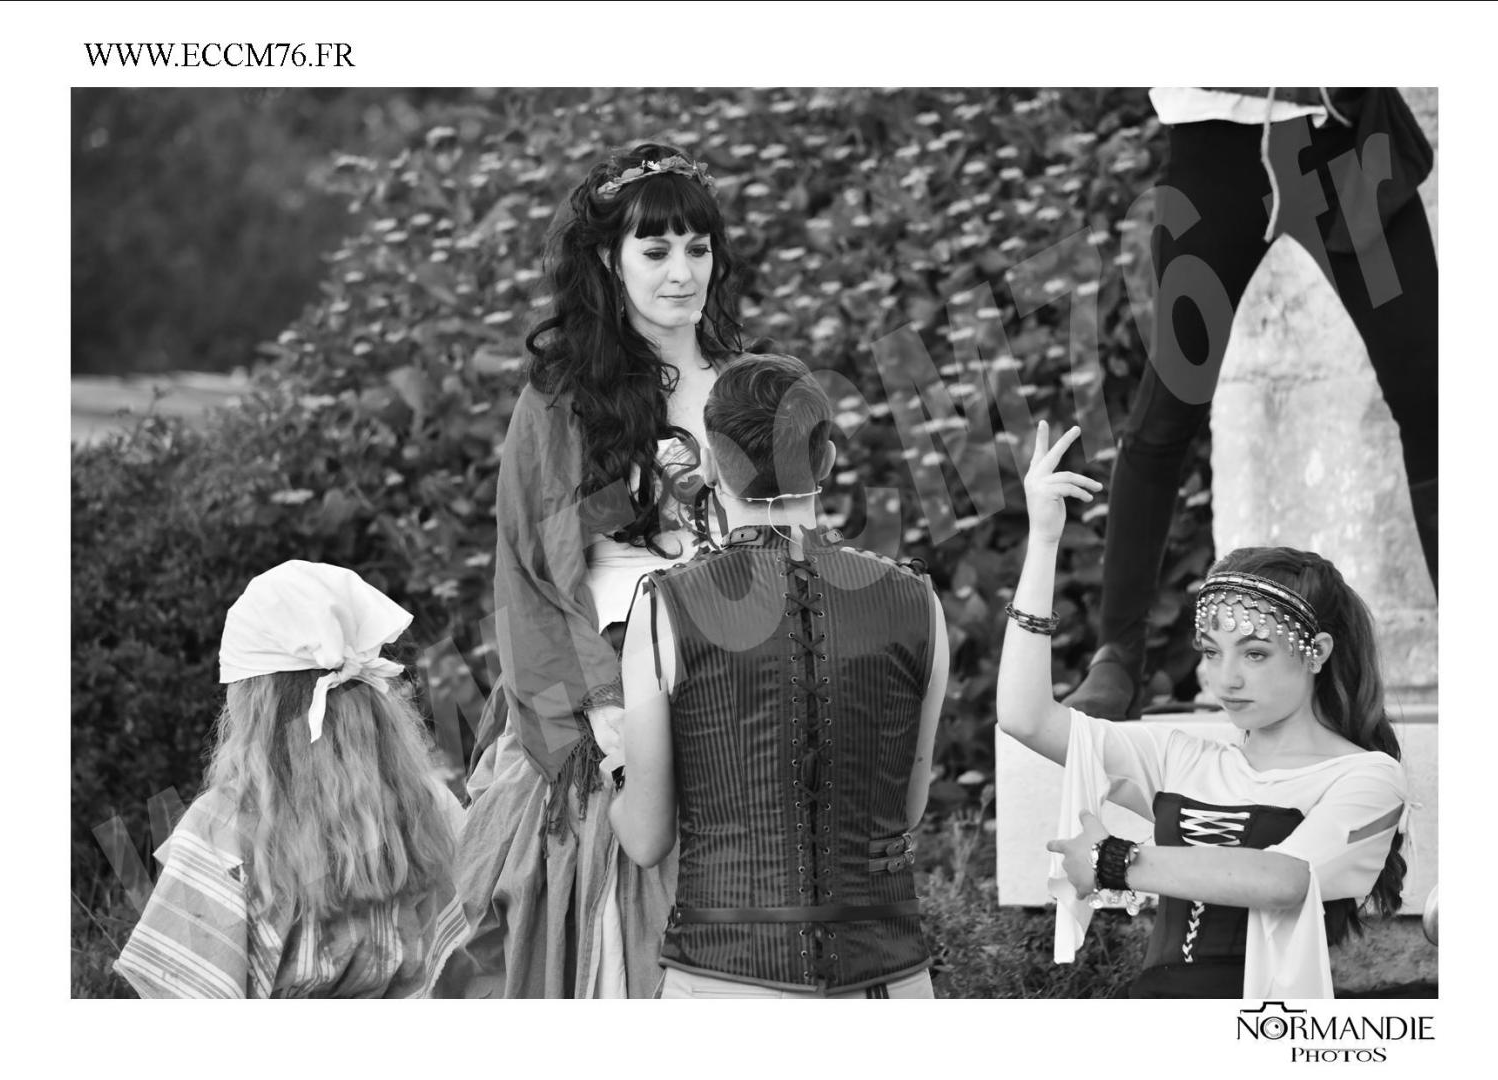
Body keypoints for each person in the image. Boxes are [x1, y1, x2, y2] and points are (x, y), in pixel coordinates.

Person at [452, 142, 751, 998]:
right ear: (610, 261)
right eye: (655, 251)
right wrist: (605, 717)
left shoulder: (748, 387)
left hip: (740, 682)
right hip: (605, 691)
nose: (681, 273)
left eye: (697, 248)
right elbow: (531, 566)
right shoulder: (561, 397)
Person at [997, 424, 1409, 998]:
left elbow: (1284, 880)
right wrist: (1043, 541)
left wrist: (1114, 860)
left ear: (1316, 652)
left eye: (1255, 654)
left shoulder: (1367, 777)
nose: (1226, 678)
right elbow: (1026, 718)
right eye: (1212, 653)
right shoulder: (1181, 759)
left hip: (1262, 1026)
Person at [1068, 87, 1437, 720]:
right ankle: (1117, 659)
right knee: (1170, 406)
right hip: (1216, 152)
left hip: (1343, 147)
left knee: (1434, 398)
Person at [608, 353, 948, 998]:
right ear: (827, 461)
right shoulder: (916, 599)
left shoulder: (666, 603)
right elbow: (904, 810)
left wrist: (618, 770)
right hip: (889, 979)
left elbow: (646, 838)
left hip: (726, 978)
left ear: (712, 465)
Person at [113, 560, 467, 998]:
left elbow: (188, 990)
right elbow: (464, 959)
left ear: (252, 700)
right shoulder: (427, 804)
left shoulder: (223, 827)